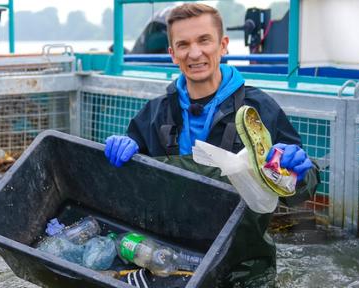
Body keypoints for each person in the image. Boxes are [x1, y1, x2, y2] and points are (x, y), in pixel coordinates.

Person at [104, 3, 320, 286]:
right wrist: (124, 149)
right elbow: (130, 188)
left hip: (243, 267)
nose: (194, 53)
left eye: (204, 40)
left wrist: (301, 173)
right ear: (172, 54)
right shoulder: (154, 113)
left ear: (223, 45)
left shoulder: (260, 109)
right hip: (167, 262)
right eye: (183, 44)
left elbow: (297, 192)